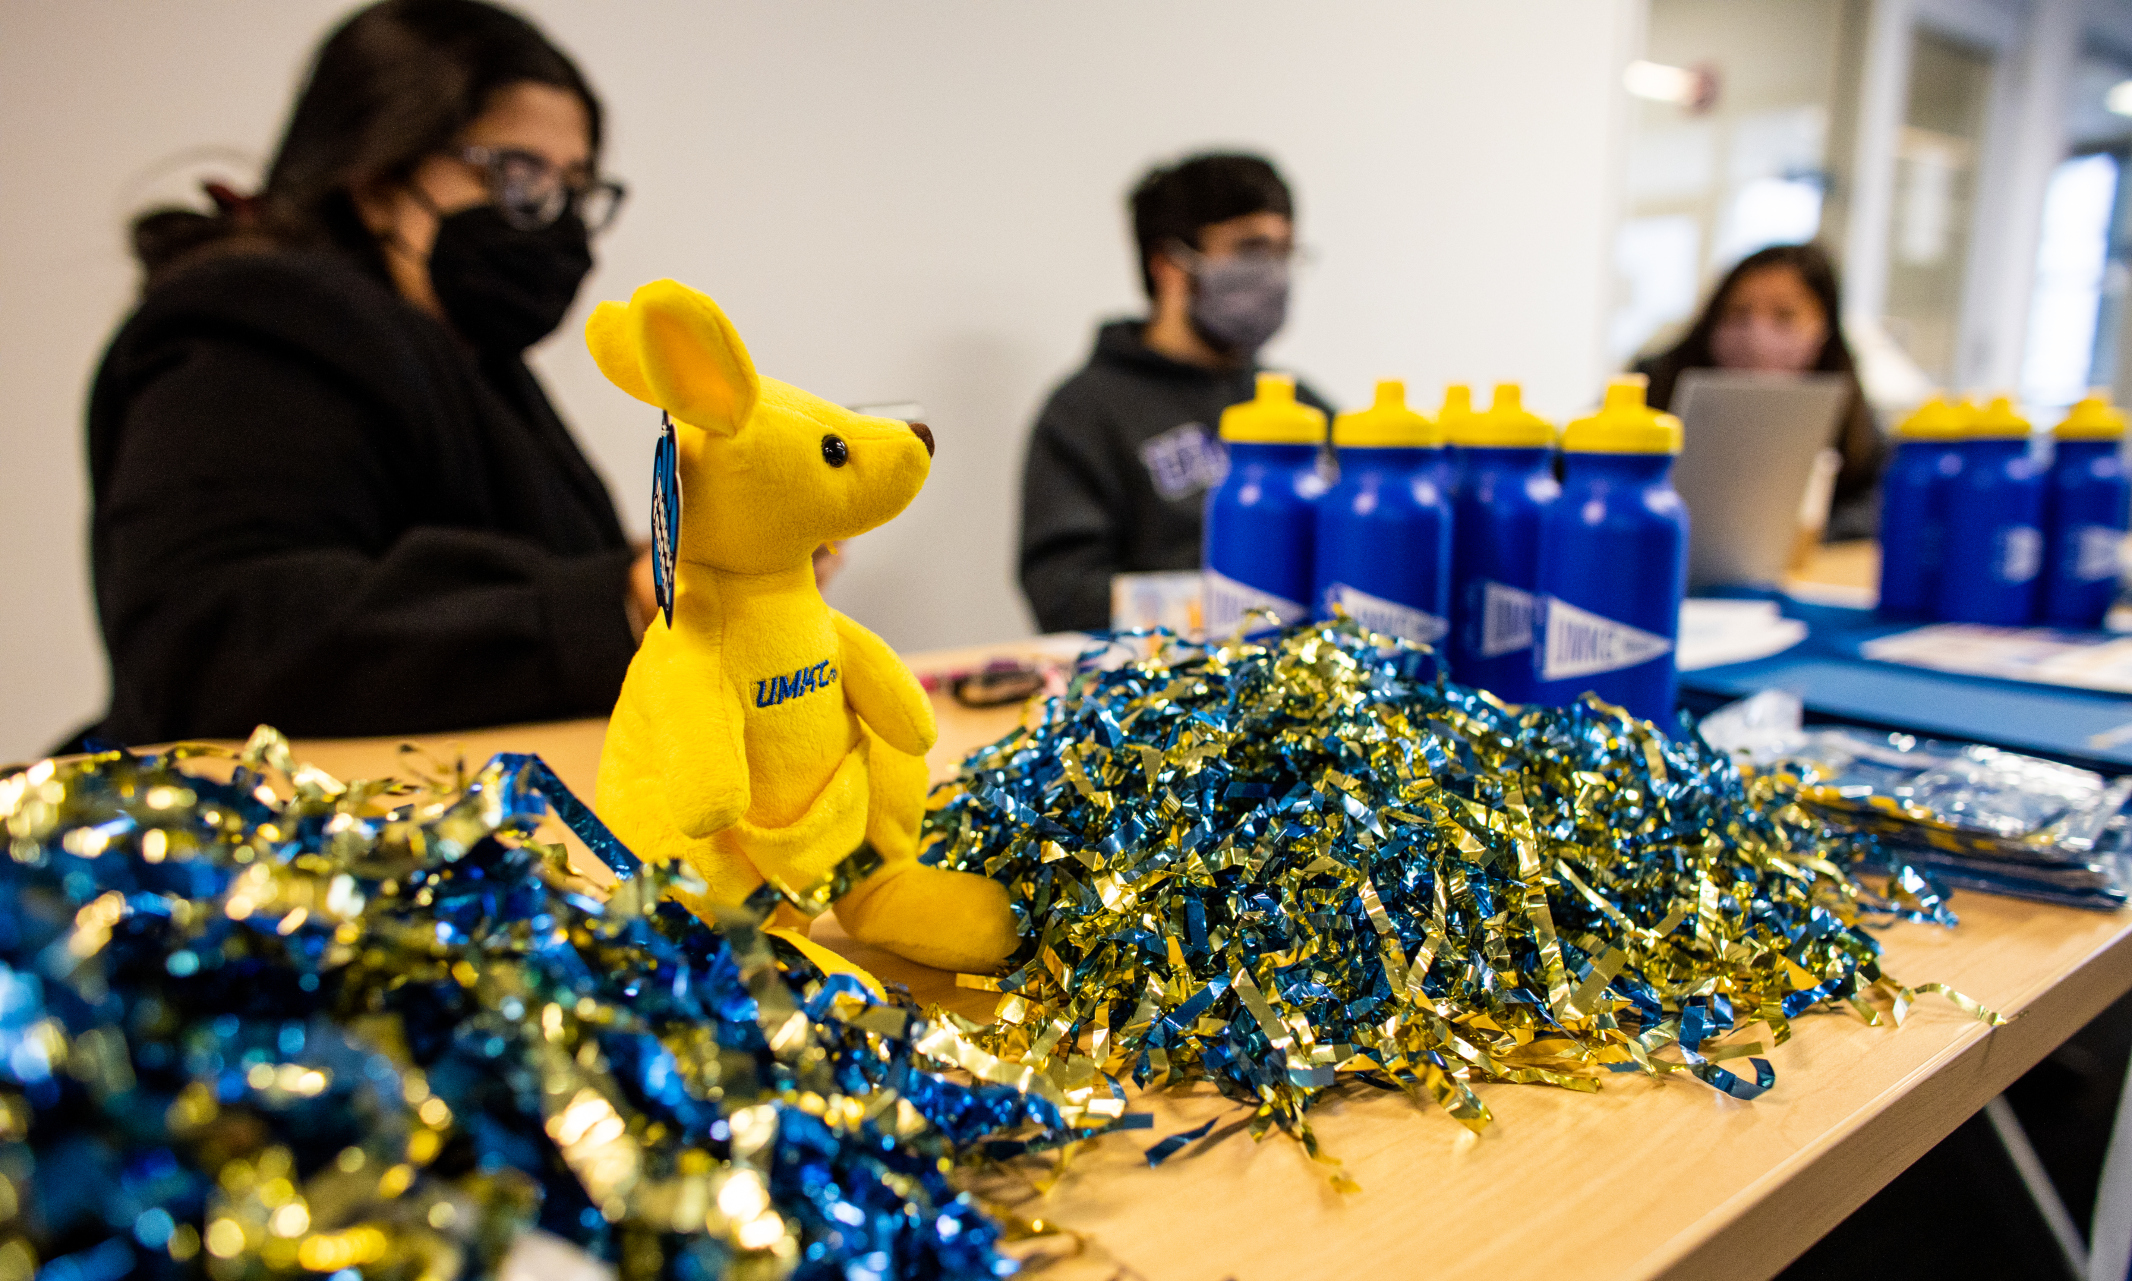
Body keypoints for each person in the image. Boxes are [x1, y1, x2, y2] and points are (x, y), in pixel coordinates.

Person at [85, 0, 648, 746]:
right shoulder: (261, 318)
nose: (556, 222)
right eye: (517, 177)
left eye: (574, 190)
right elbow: (215, 646)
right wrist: (617, 604)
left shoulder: (485, 373)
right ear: (379, 181)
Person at [1017, 152, 1334, 634]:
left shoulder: (1304, 408)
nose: (1272, 273)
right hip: (1171, 694)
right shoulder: (1086, 412)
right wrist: (1237, 603)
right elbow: (1061, 593)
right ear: (1169, 264)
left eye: (1283, 252)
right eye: (1251, 250)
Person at [1635, 242, 1885, 540]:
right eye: (1738, 313)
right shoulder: (1654, 384)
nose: (1757, 335)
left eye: (1784, 316)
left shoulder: (1848, 410)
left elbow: (1879, 499)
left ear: (1823, 328)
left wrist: (1805, 535)